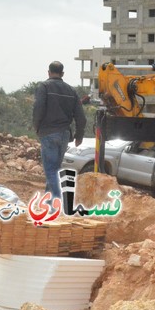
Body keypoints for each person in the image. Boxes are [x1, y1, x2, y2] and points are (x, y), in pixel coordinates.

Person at [33, 61, 87, 203]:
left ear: (49, 72)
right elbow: (81, 117)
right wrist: (79, 135)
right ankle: (48, 203)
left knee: (51, 170)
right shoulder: (71, 91)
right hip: (64, 134)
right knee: (55, 169)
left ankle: (59, 203)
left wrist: (37, 128)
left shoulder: (44, 86)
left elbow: (38, 109)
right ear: (62, 74)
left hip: (49, 133)